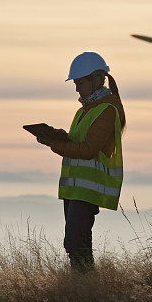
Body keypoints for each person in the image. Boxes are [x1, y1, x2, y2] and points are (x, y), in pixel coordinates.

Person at [36, 51, 126, 273]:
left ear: (97, 79)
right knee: (79, 244)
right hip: (76, 190)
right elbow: (77, 141)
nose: (76, 88)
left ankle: (84, 285)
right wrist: (56, 136)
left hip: (88, 190)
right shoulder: (83, 111)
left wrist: (54, 145)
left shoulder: (107, 110)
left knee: (75, 243)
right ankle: (85, 287)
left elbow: (87, 150)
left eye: (79, 82)